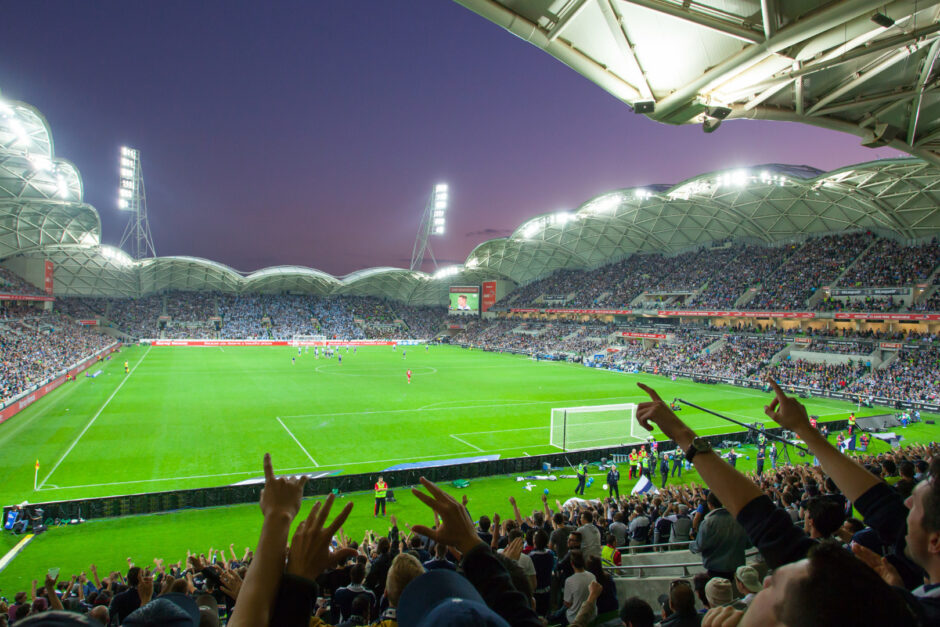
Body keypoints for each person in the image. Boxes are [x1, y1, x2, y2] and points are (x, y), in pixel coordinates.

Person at [632, 381, 923, 626]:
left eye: (780, 585)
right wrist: (805, 431)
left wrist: (683, 436)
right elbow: (886, 509)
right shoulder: (903, 598)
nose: (767, 580)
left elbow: (772, 530)